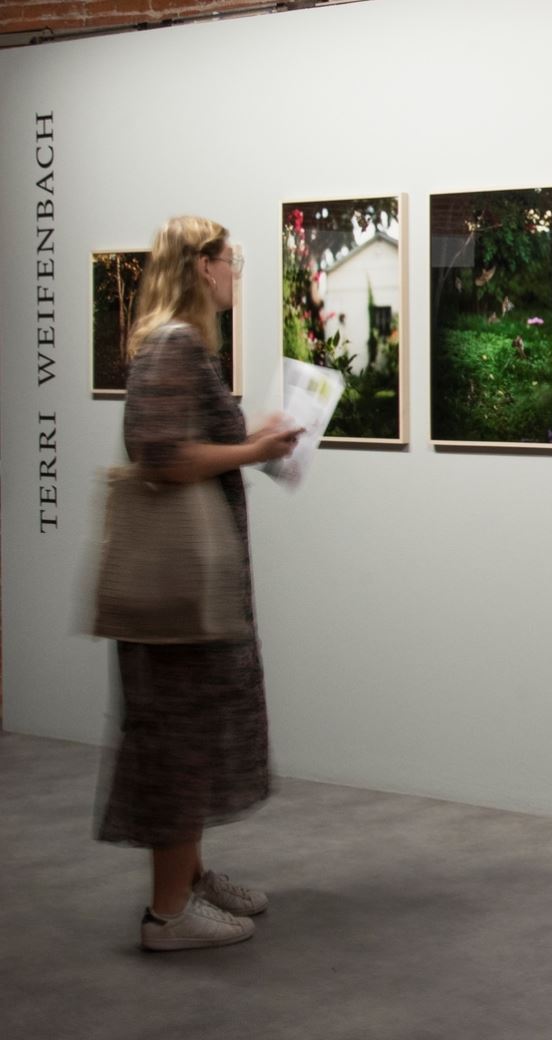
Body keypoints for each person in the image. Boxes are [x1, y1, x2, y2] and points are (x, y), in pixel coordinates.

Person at [96, 215, 300, 951]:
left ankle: (188, 878)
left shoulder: (181, 348)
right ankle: (168, 913)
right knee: (177, 736)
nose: (235, 271)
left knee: (192, 729)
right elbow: (158, 454)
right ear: (199, 267)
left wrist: (255, 444)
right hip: (174, 587)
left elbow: (183, 444)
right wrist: (254, 446)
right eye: (228, 258)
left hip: (194, 582)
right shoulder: (172, 346)